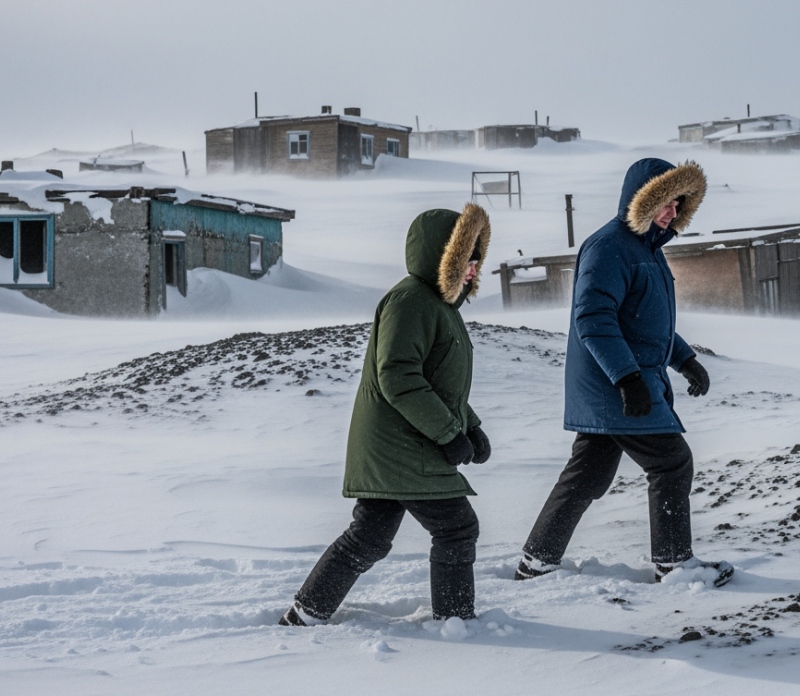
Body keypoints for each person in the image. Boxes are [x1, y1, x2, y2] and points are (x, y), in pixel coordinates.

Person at [514, 158, 732, 586]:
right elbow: (594, 318)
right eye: (664, 203)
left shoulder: (645, 250)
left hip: (620, 382)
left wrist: (684, 359)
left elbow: (645, 320)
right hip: (613, 383)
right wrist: (627, 379)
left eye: (677, 205)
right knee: (672, 463)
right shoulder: (609, 246)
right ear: (641, 200)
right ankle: (672, 563)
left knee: (587, 476)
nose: (671, 213)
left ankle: (536, 562)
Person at [280, 204, 492, 626]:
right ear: (442, 257)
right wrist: (450, 433)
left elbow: (437, 382)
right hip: (400, 442)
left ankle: (305, 613)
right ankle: (457, 622)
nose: (473, 269)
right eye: (465, 258)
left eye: (477, 259)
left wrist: (470, 425)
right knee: (456, 527)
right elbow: (398, 377)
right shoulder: (410, 301)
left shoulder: (439, 306)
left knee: (370, 536)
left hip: (403, 439)